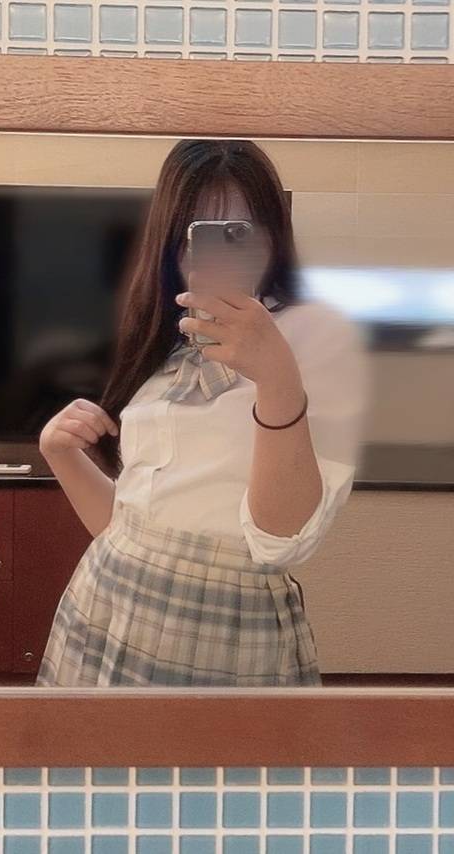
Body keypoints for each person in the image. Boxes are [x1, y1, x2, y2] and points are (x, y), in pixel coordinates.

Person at [35, 139, 368, 687]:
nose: (217, 252)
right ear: (171, 241)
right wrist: (59, 454)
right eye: (198, 231)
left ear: (272, 234)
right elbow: (131, 529)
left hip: (223, 627)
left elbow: (282, 538)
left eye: (239, 230)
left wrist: (276, 377)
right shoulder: (167, 340)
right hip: (104, 599)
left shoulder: (316, 335)